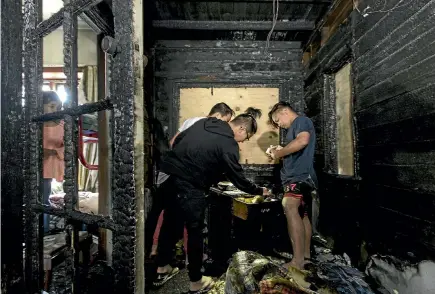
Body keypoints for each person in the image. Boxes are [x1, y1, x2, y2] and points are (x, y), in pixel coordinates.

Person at [153, 108, 270, 293]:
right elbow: (237, 177)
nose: (243, 141)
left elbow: (179, 141)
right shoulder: (228, 143)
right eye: (246, 137)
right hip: (190, 184)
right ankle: (196, 282)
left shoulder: (203, 123)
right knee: (195, 232)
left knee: (170, 222)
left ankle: (162, 267)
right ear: (241, 129)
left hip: (169, 177)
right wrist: (258, 190)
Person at [146, 102, 235, 258]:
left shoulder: (192, 121)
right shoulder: (205, 125)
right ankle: (181, 253)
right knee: (183, 214)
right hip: (179, 174)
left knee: (169, 213)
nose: (226, 125)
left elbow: (173, 143)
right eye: (226, 121)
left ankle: (158, 249)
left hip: (171, 171)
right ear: (219, 115)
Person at [267, 101, 317, 270]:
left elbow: (303, 141)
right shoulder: (295, 127)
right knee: (302, 214)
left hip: (299, 176)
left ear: (285, 112)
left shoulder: (301, 121)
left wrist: (278, 153)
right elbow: (298, 146)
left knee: (289, 206)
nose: (278, 125)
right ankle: (305, 257)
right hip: (301, 176)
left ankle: (297, 262)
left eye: (277, 120)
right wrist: (282, 149)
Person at [42, 91, 65, 234]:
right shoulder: (36, 124)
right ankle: (42, 229)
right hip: (38, 167)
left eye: (57, 107)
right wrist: (51, 152)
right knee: (42, 198)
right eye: (51, 106)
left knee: (46, 196)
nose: (55, 110)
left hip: (53, 167)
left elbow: (67, 145)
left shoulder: (62, 123)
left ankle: (45, 229)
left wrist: (56, 152)